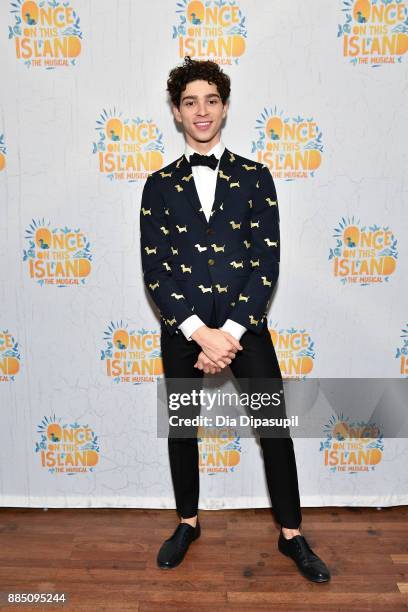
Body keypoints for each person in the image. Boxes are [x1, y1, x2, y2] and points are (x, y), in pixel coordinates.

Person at [139, 56, 330, 583]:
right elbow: (155, 268)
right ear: (177, 113)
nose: (202, 111)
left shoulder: (256, 176)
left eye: (212, 100)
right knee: (183, 430)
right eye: (190, 102)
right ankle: (187, 523)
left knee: (275, 431)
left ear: (224, 107)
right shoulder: (157, 185)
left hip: (248, 331)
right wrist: (200, 332)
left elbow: (265, 262)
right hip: (184, 332)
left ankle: (291, 534)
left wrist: (231, 334)